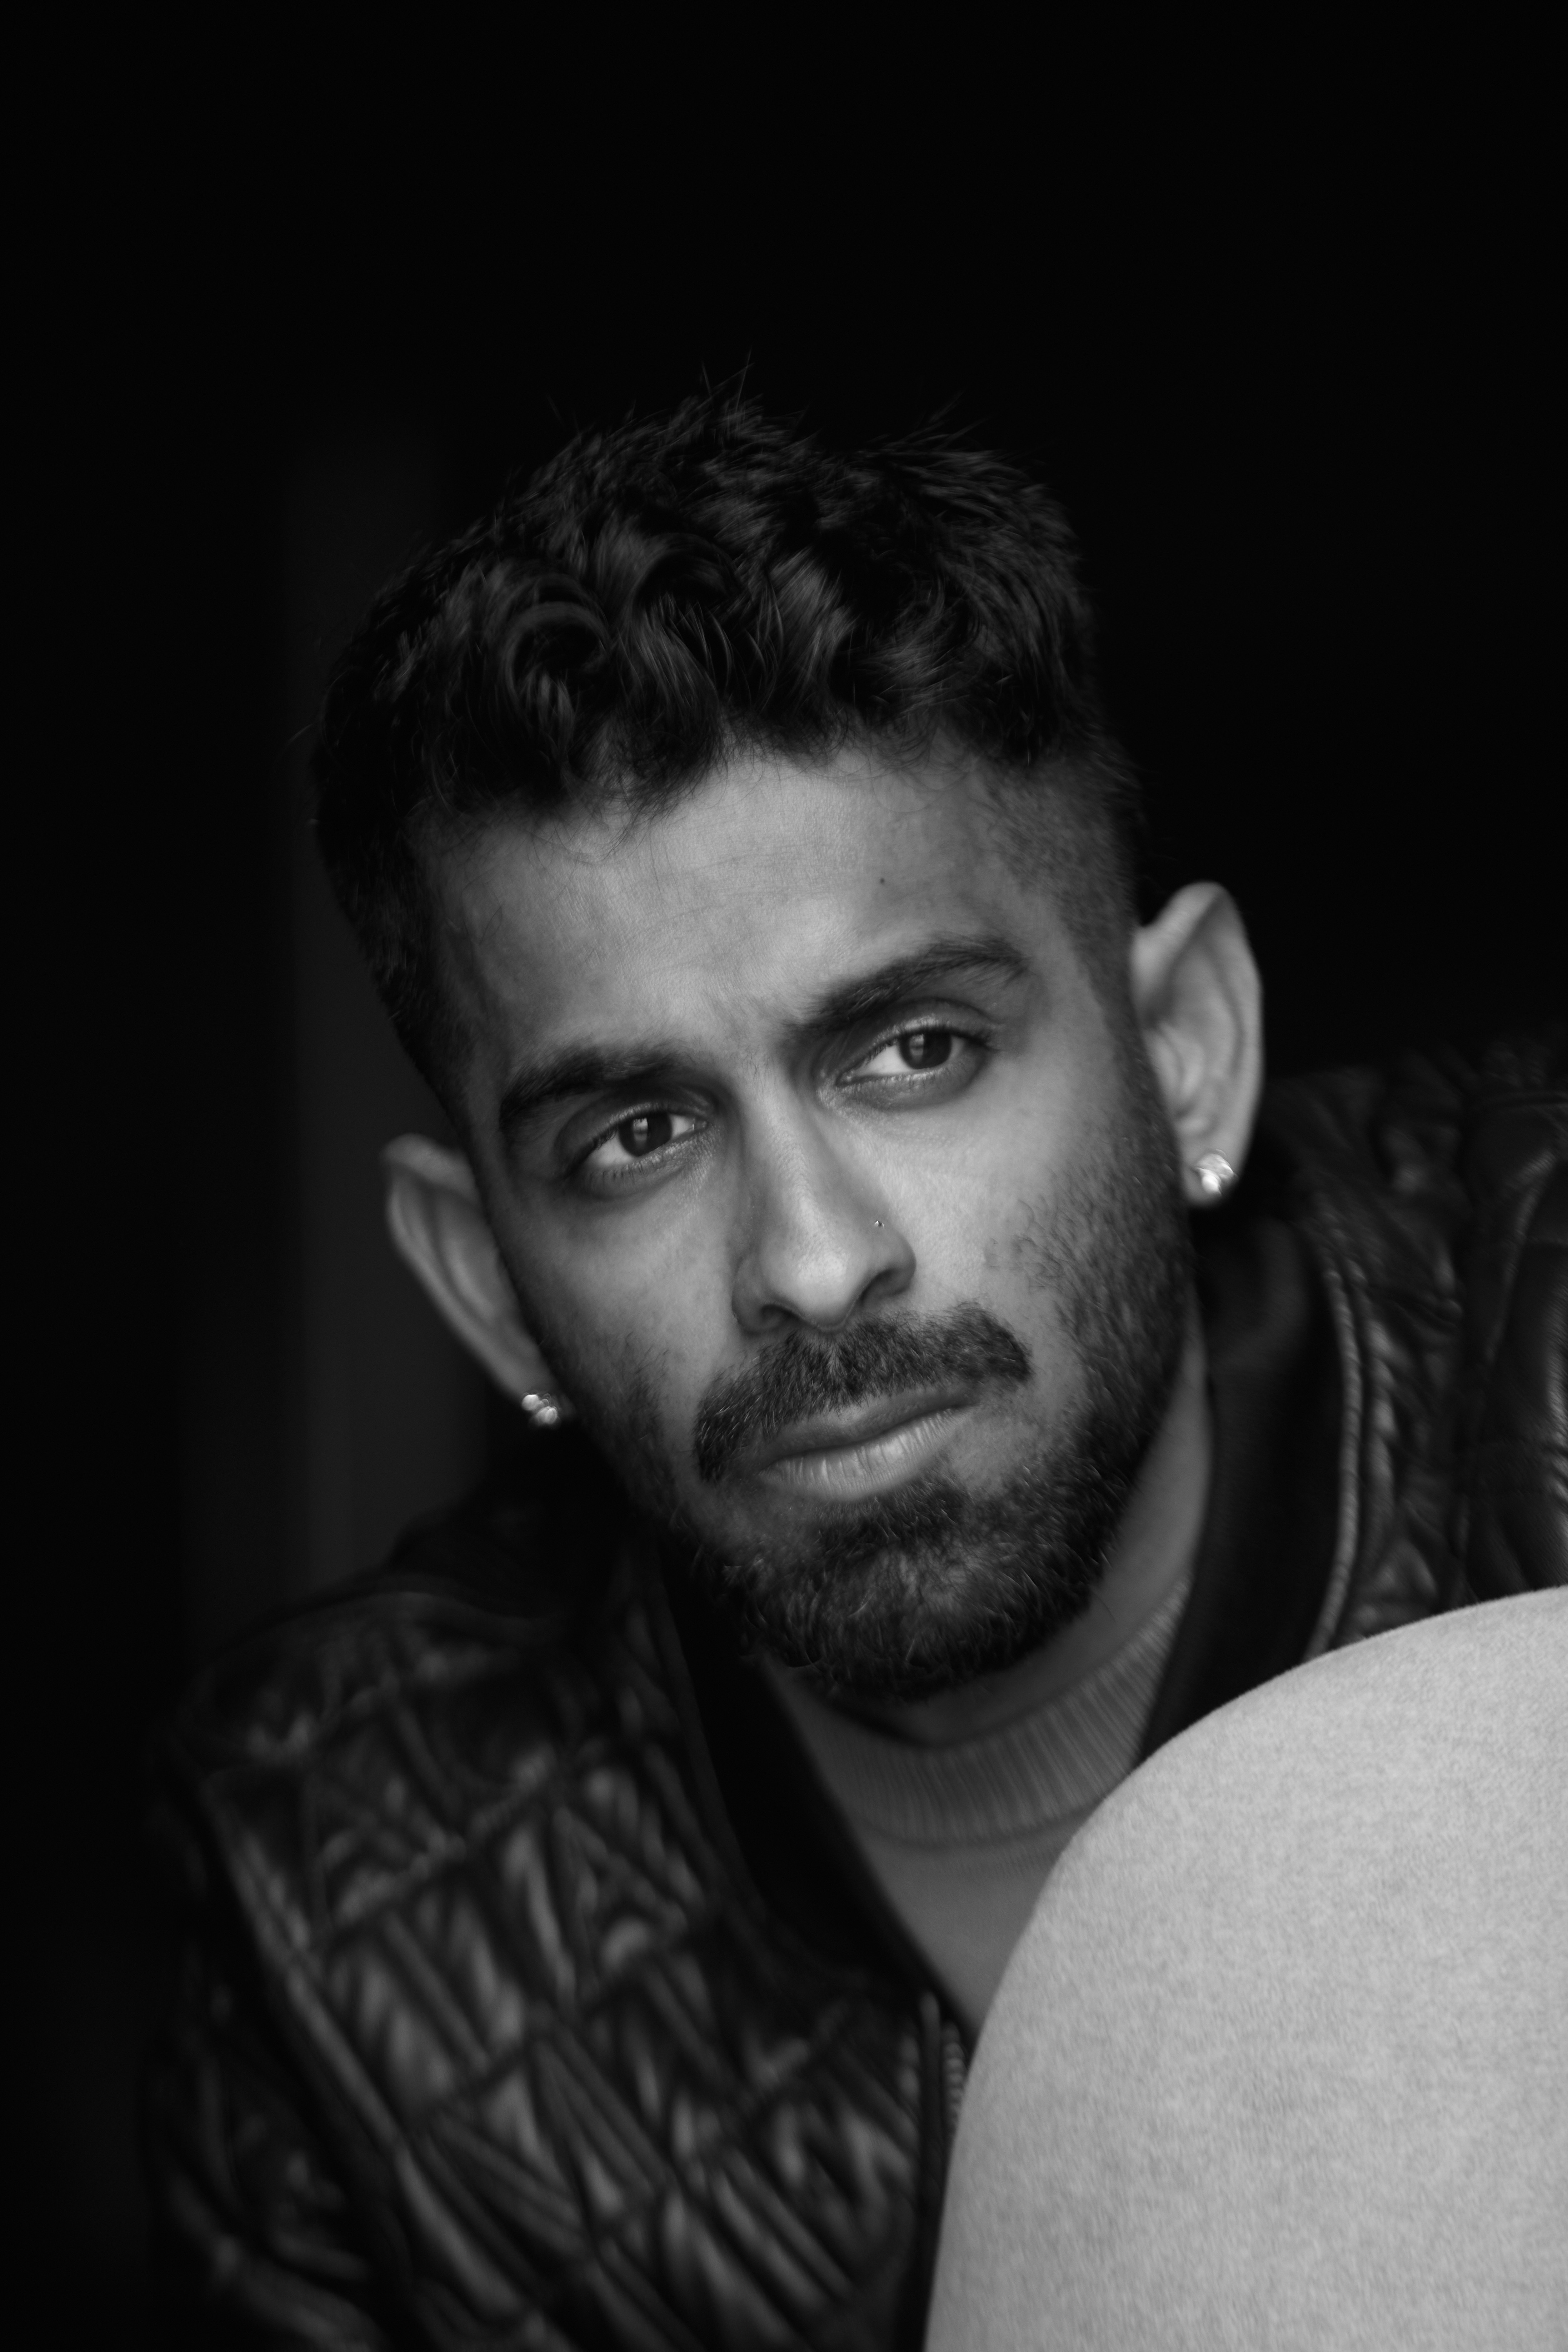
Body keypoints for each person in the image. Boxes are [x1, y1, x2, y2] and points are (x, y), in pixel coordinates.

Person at [143, 393, 1566, 2348]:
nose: (812, 1264)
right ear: (488, 1285)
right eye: (637, 1136)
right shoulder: (330, 1907)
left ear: (1183, 1054)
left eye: (912, 1052)